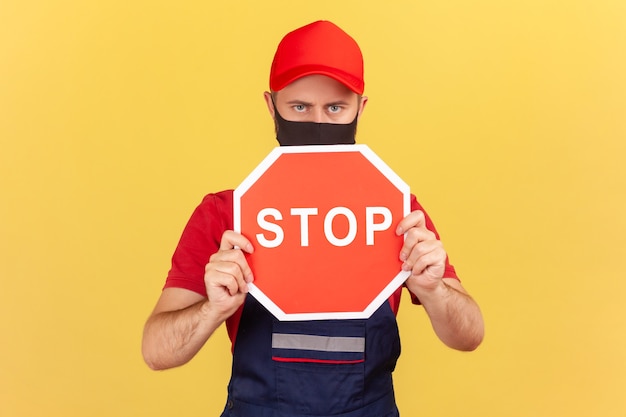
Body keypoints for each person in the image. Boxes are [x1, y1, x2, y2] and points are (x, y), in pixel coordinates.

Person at [142, 20, 484, 417]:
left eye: (335, 108)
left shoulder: (395, 209)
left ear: (361, 108)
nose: (318, 122)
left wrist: (434, 290)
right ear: (271, 106)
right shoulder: (224, 214)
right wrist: (212, 309)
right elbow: (156, 352)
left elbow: (469, 335)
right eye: (299, 107)